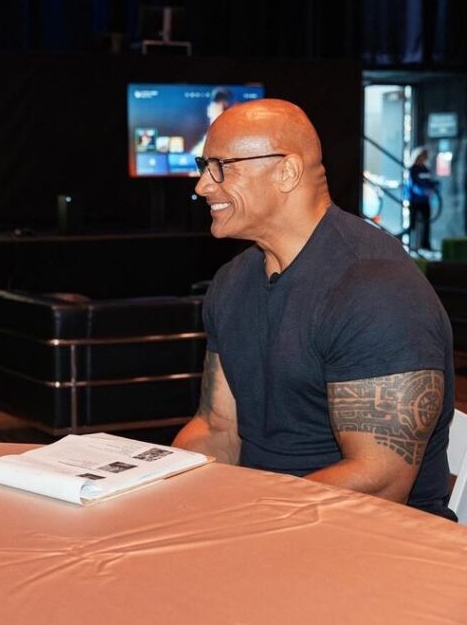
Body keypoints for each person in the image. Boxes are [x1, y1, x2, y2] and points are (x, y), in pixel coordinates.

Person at [173, 99, 456, 520]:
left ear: (286, 171)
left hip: (379, 543)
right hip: (265, 521)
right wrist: (157, 486)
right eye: (203, 166)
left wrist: (243, 515)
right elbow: (217, 429)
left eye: (221, 166)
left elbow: (379, 481)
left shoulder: (375, 288)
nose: (202, 185)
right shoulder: (232, 281)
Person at [406, 146, 439, 251]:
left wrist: (435, 186)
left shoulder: (425, 169)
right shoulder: (413, 170)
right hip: (415, 201)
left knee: (426, 223)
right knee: (413, 224)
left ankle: (425, 245)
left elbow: (429, 182)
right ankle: (411, 245)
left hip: (425, 201)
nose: (424, 158)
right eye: (423, 156)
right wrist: (424, 191)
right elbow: (414, 185)